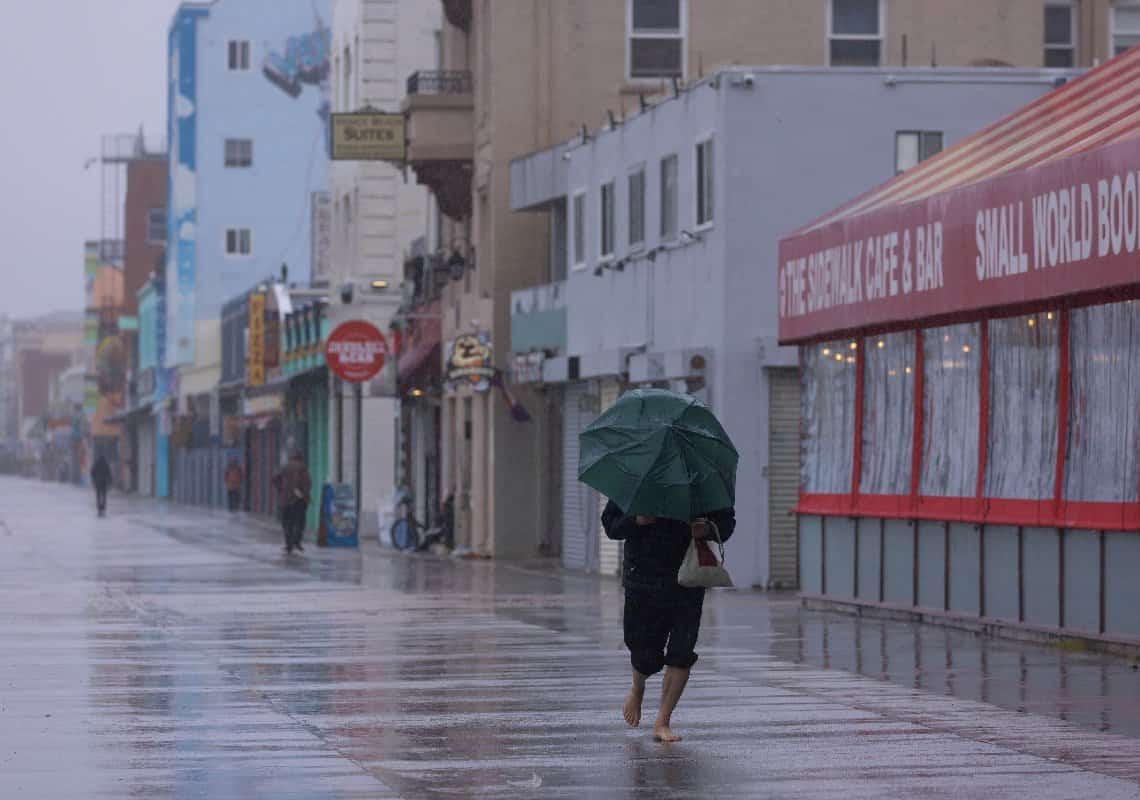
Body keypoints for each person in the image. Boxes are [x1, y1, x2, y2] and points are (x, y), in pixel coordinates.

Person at [602, 501, 735, 743]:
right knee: (644, 652)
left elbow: (726, 525)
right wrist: (637, 521)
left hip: (687, 579)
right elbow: (611, 526)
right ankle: (638, 687)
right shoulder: (640, 477)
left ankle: (662, 721)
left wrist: (706, 529)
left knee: (682, 650)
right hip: (642, 579)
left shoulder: (702, 483)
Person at [273, 450, 311, 554]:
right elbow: (307, 482)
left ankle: (288, 544)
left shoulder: (285, 467)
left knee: (287, 522)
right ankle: (296, 542)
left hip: (285, 499)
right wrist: (305, 495)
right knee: (299, 522)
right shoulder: (302, 467)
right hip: (299, 499)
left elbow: (275, 478)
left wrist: (281, 489)